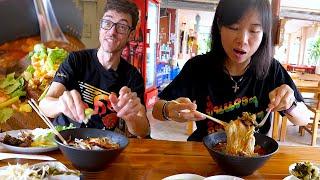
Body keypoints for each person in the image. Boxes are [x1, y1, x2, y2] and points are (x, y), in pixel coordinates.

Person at [152, 0, 310, 141]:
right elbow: (157, 109)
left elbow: (304, 118)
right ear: (220, 26)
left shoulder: (271, 69)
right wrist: (169, 110)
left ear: (264, 34)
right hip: (207, 152)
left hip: (252, 156)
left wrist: (290, 105)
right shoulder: (198, 67)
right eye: (234, 27)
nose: (242, 40)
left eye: (254, 31)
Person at [39, 0, 150, 138]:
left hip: (102, 146)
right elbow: (44, 105)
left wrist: (130, 117)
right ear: (100, 26)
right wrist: (60, 105)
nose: (112, 31)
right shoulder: (76, 60)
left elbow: (144, 131)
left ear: (131, 34)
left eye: (122, 27)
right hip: (65, 140)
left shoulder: (132, 76)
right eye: (107, 23)